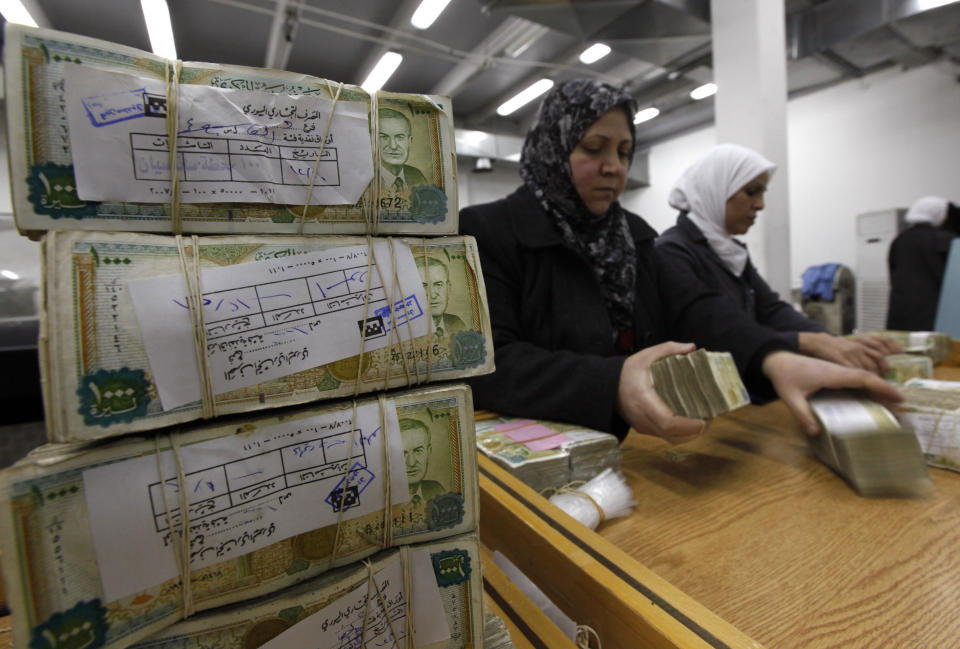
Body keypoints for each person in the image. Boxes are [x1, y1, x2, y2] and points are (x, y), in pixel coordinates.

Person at [459, 79, 900, 444]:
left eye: (625, 151)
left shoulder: (633, 235)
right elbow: (488, 363)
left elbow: (696, 310)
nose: (613, 166)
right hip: (531, 456)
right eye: (594, 148)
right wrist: (611, 384)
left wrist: (773, 358)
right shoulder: (489, 230)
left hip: (638, 451)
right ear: (552, 150)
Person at [656, 144, 900, 375]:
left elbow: (771, 309)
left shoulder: (730, 251)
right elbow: (718, 327)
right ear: (716, 189)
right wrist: (806, 343)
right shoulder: (673, 252)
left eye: (762, 193)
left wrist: (830, 340)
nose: (760, 205)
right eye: (751, 192)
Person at [887, 196, 960, 331]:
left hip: (902, 317)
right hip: (935, 318)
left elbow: (893, 277)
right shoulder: (947, 240)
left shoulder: (900, 240)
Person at [415, 255, 467, 338]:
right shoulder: (402, 332)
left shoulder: (456, 323)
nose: (432, 295)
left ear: (448, 288)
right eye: (423, 286)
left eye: (439, 284)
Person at [378, 108, 428, 191]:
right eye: (384, 137)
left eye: (400, 137)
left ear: (409, 141)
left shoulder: (417, 176)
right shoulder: (363, 180)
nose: (393, 146)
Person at [400, 417, 446, 505]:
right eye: (402, 454)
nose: (411, 463)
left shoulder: (436, 489)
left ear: (429, 452)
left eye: (418, 451)